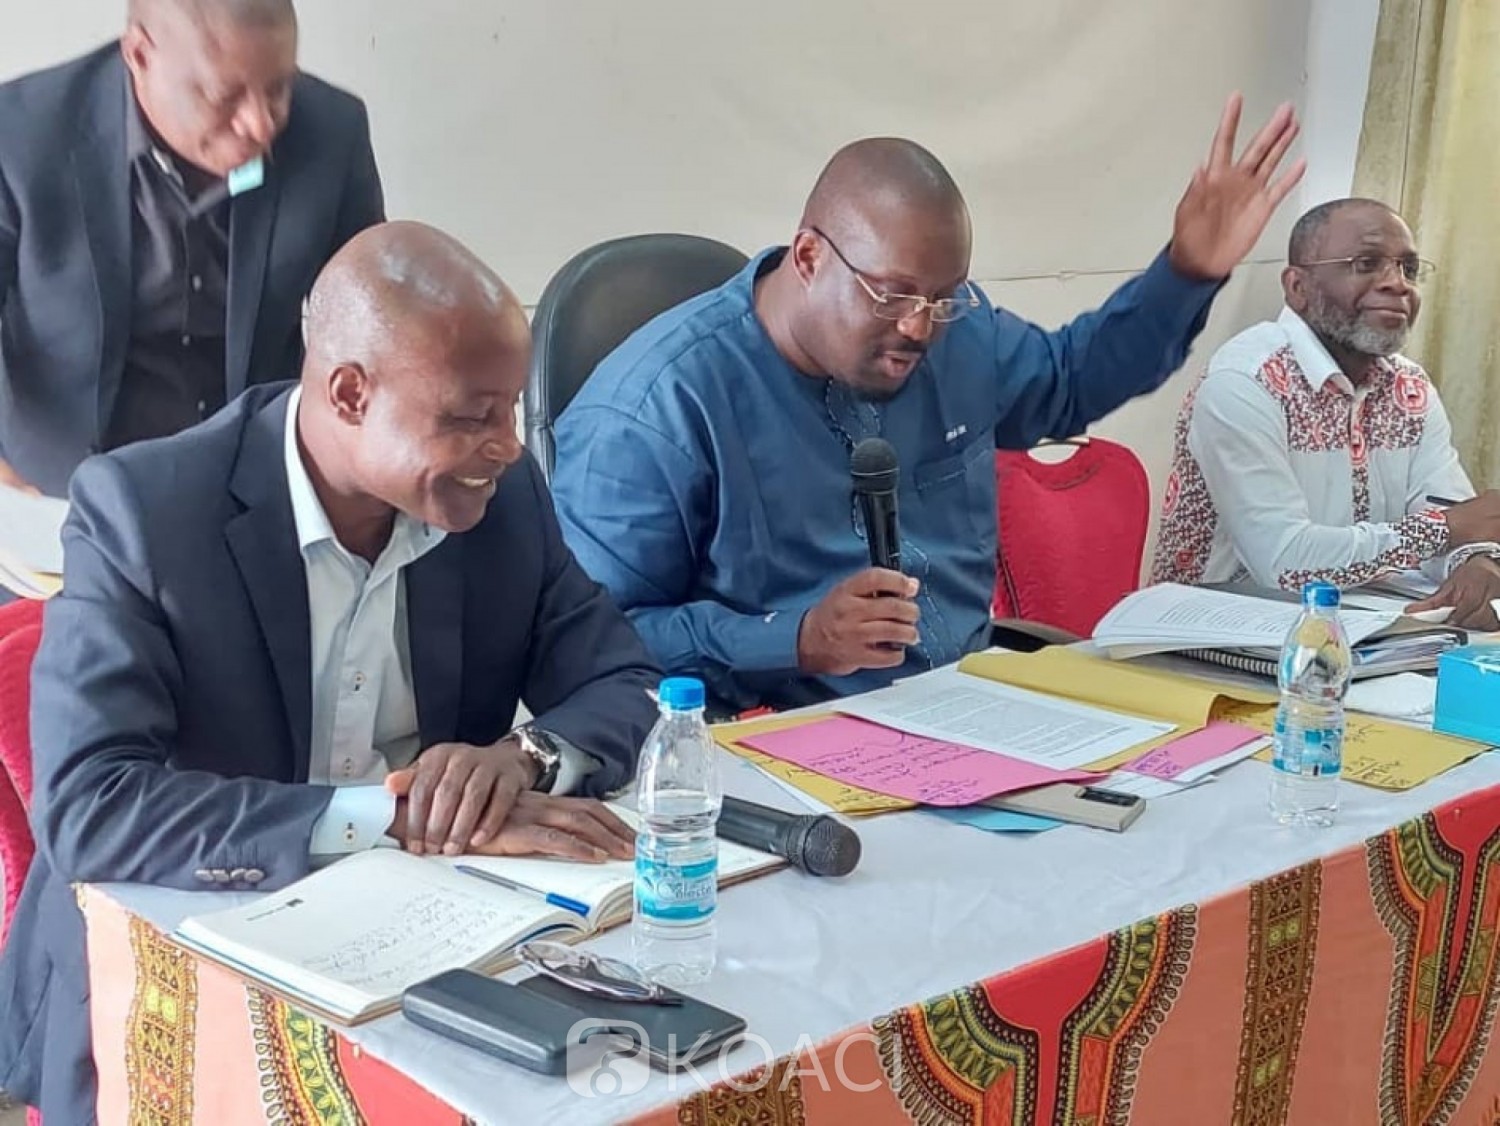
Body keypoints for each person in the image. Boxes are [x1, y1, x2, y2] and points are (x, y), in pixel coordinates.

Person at [0, 222, 660, 1122]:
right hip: (184, 954)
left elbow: (628, 683)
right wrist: (391, 818)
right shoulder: (146, 513)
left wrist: (523, 760)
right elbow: (92, 806)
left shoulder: (501, 503)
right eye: (472, 416)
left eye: (511, 410)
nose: (507, 446)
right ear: (351, 393)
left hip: (423, 940)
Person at [551, 95, 1305, 710]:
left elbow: (1071, 381)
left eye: (943, 298)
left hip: (968, 710)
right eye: (892, 294)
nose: (918, 327)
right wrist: (795, 639)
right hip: (777, 743)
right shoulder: (655, 408)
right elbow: (593, 641)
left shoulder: (956, 335)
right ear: (809, 257)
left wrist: (1186, 272)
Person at [0, 0, 385, 497]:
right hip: (68, 478)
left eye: (278, 88)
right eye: (223, 96)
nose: (261, 124)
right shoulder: (20, 135)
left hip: (256, 468)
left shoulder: (333, 130)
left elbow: (370, 319)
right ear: (141, 56)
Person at [1152, 198, 1500, 630]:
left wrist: (1476, 564)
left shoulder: (1409, 388)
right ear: (1298, 287)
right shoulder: (1246, 381)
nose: (1398, 284)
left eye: (1408, 269)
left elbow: (1458, 517)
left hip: (1369, 627)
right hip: (1215, 632)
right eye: (1366, 263)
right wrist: (1444, 530)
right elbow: (1284, 564)